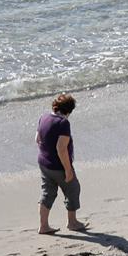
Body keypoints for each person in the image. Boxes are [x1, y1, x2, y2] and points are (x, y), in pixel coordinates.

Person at [36, 93, 88, 235]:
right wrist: (68, 169)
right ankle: (72, 223)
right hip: (58, 166)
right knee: (73, 189)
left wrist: (46, 153)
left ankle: (43, 226)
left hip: (43, 163)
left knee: (47, 193)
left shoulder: (44, 117)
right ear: (69, 110)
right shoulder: (63, 123)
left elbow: (37, 139)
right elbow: (61, 148)